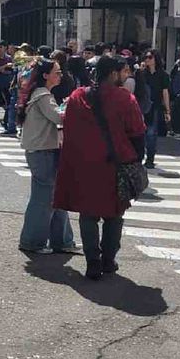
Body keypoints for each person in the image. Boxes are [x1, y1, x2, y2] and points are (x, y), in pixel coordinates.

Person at [55, 56, 147, 280]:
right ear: (114, 74)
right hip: (114, 164)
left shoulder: (78, 96)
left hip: (84, 165)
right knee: (114, 215)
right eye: (122, 72)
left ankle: (92, 261)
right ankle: (108, 259)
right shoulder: (125, 98)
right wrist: (137, 159)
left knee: (88, 215)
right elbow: (137, 132)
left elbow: (69, 128)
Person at [19, 58, 75, 254]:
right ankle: (32, 241)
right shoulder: (43, 95)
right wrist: (71, 105)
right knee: (43, 199)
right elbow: (58, 117)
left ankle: (63, 241)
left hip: (43, 149)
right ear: (45, 76)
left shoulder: (40, 93)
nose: (60, 75)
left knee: (55, 196)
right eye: (57, 72)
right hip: (42, 151)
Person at [138, 50, 172, 171]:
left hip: (155, 106)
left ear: (155, 59)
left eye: (150, 57)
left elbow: (165, 92)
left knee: (151, 134)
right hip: (141, 106)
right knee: (141, 133)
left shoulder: (163, 75)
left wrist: (168, 111)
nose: (147, 59)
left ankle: (150, 159)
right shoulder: (141, 73)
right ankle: (139, 157)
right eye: (145, 57)